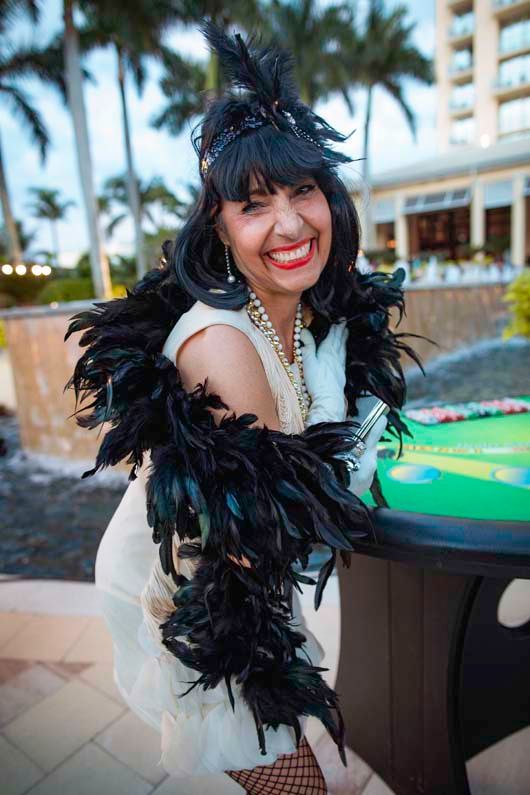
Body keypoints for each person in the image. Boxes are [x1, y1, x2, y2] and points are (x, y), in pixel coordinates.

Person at [64, 21, 424, 794]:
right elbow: (245, 556)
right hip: (194, 600)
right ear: (221, 229)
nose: (290, 223)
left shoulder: (307, 313)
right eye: (254, 205)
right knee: (305, 783)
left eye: (303, 191)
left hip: (248, 576)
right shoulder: (223, 346)